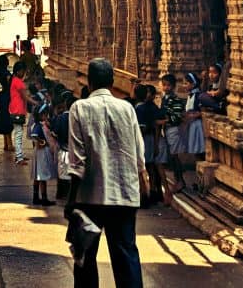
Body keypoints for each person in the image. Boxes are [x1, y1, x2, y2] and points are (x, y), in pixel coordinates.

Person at [64, 58, 148, 288]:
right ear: (112, 82)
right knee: (126, 254)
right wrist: (143, 181)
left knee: (85, 257)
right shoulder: (127, 108)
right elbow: (139, 153)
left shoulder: (79, 108)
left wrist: (71, 201)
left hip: (90, 196)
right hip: (123, 192)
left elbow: (77, 161)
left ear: (89, 83)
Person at [132, 84, 163, 206]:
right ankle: (154, 190)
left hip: (143, 139)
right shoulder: (150, 107)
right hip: (150, 139)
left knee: (142, 168)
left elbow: (142, 128)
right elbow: (155, 125)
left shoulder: (139, 109)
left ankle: (145, 193)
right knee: (150, 166)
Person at [158, 74, 185, 194]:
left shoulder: (175, 99)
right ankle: (177, 180)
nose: (166, 87)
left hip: (173, 129)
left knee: (174, 157)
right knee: (172, 157)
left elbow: (177, 116)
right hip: (167, 130)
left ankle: (180, 181)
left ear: (173, 86)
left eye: (168, 85)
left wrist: (164, 121)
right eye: (164, 85)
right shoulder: (165, 98)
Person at [30, 103, 56, 205]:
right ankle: (44, 199)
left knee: (37, 175)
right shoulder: (38, 125)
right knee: (42, 176)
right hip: (42, 153)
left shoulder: (40, 125)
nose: (47, 116)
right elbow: (34, 135)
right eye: (45, 114)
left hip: (38, 152)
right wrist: (42, 141)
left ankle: (36, 197)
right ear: (41, 115)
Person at [0, 54, 15, 151]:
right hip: (7, 97)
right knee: (8, 121)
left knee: (4, 120)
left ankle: (6, 143)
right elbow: (11, 83)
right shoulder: (6, 73)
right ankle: (9, 144)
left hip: (3, 96)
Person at [9, 59, 30, 164]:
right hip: (17, 110)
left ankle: (20, 154)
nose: (24, 73)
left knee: (19, 133)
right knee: (18, 134)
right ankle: (19, 157)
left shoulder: (15, 80)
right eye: (23, 71)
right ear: (18, 71)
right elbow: (25, 96)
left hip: (15, 109)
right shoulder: (18, 83)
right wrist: (35, 102)